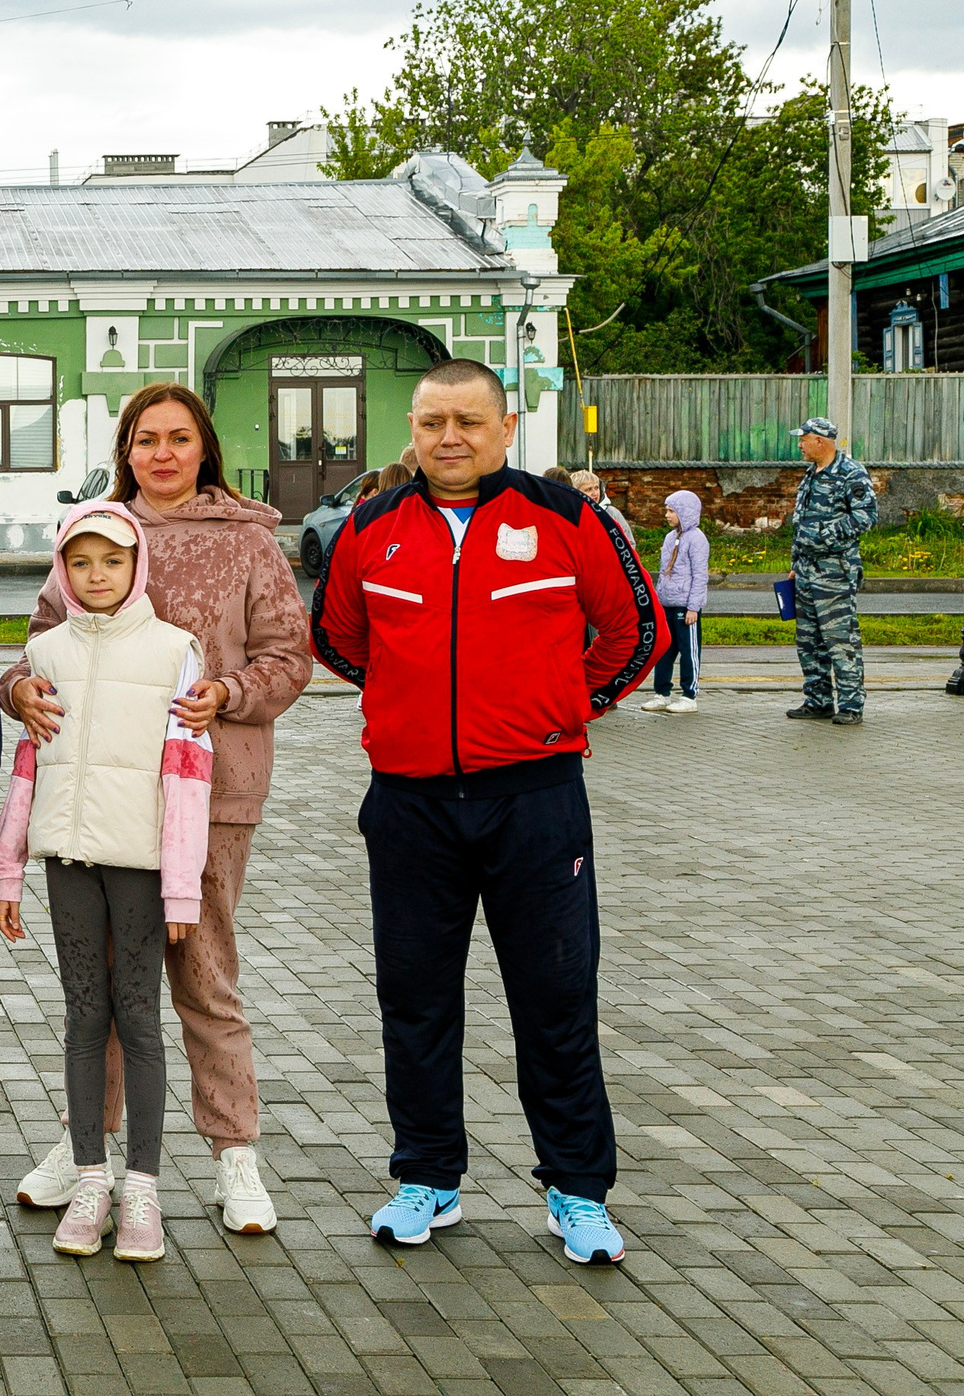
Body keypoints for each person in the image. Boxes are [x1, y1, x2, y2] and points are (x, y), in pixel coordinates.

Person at [311, 357, 663, 1266]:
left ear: (506, 428)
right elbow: (338, 636)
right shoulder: (372, 525)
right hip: (411, 804)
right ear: (414, 430)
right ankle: (427, 1176)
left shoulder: (568, 518)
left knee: (554, 999)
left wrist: (556, 708)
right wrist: (411, 707)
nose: (450, 438)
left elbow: (637, 630)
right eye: (433, 423)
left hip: (535, 802)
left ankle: (577, 1190)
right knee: (416, 1000)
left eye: (469, 421)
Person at [1, 382, 310, 1235]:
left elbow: (291, 655)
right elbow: (34, 649)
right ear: (125, 450)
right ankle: (87, 1146)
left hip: (207, 799)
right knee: (100, 985)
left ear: (204, 446)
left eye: (179, 438)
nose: (162, 453)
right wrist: (18, 688)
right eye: (146, 439)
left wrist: (231, 688)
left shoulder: (248, 542)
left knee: (202, 976)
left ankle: (234, 1152)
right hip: (97, 803)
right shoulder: (92, 534)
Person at [0, 503, 212, 1261]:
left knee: (138, 1017)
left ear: (136, 564)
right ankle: (92, 1177)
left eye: (111, 561)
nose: (96, 575)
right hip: (69, 860)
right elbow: (26, 766)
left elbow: (189, 776)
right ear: (62, 570)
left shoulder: (176, 648)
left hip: (143, 866)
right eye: (80, 562)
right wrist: (9, 865)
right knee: (85, 1014)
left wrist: (182, 887)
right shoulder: (43, 651)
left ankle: (142, 1187)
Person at [788, 417, 876, 726]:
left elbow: (866, 517)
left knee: (840, 638)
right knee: (809, 639)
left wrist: (824, 534)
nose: (800, 444)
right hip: (805, 570)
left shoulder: (850, 474)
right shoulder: (810, 475)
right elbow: (800, 523)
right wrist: (795, 564)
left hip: (834, 571)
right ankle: (818, 700)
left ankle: (851, 704)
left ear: (821, 442)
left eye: (804, 439)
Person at [639, 490, 707, 715]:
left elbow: (700, 575)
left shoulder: (697, 539)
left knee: (689, 651)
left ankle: (689, 695)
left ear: (684, 512)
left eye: (671, 511)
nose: (666, 515)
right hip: (667, 604)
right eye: (666, 510)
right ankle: (662, 693)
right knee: (664, 650)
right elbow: (664, 573)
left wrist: (693, 607)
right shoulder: (670, 538)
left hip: (685, 607)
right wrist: (658, 603)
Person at [569, 469, 634, 545]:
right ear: (576, 492)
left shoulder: (611, 513)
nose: (595, 493)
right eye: (588, 489)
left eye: (596, 488)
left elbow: (629, 543)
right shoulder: (569, 515)